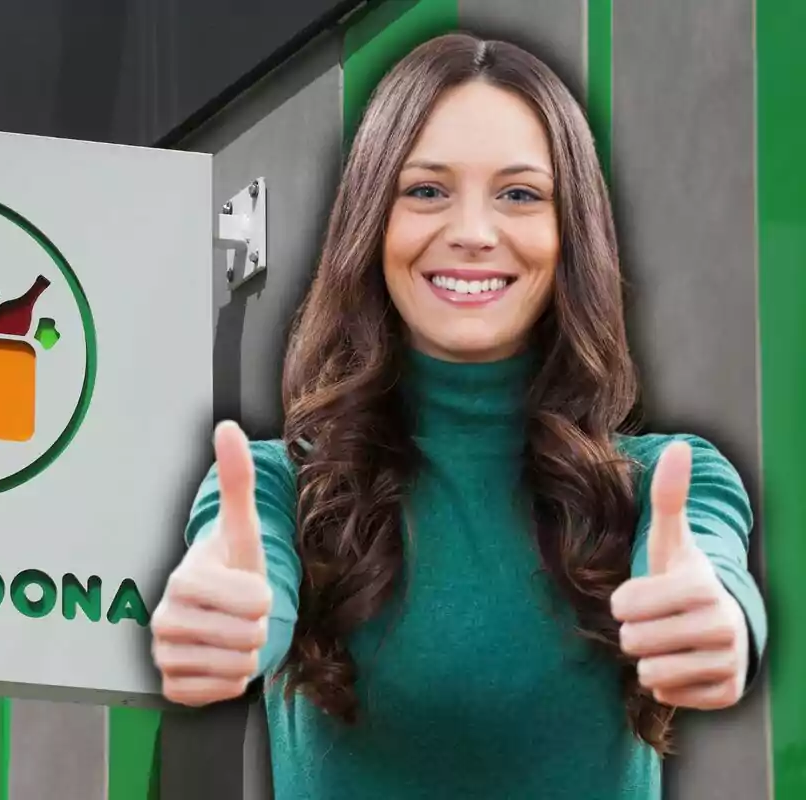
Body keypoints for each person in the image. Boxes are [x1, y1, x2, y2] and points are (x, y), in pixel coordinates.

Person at [149, 31, 767, 800]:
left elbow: (713, 583)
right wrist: (226, 621)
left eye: (519, 194)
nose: (473, 232)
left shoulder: (667, 481)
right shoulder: (274, 488)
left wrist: (718, 624)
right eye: (426, 190)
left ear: (569, 232)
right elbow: (244, 579)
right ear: (372, 223)